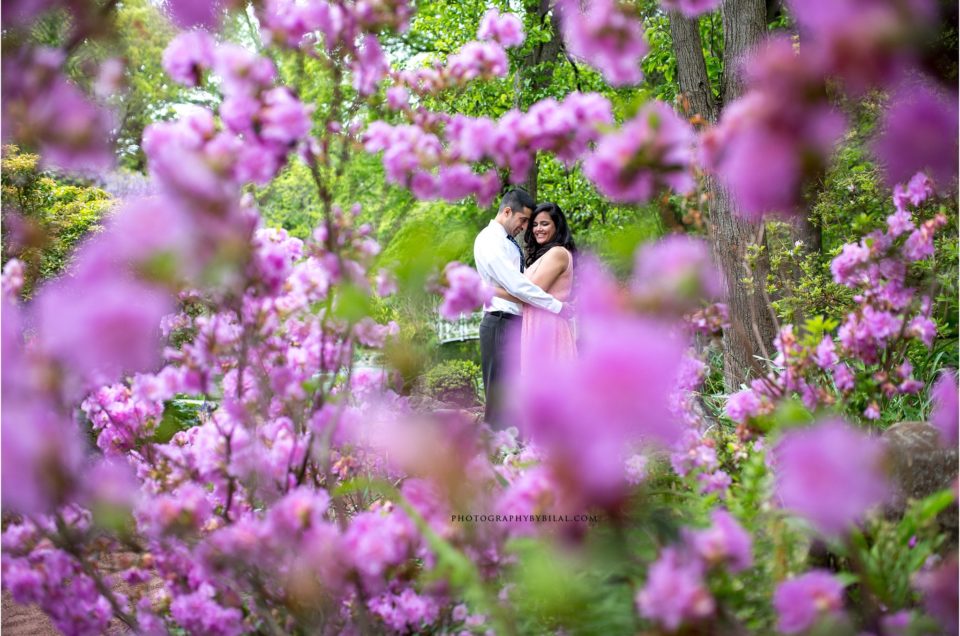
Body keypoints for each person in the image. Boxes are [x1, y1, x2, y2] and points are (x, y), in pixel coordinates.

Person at [473, 190, 570, 428]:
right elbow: (518, 286)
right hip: (500, 323)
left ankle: (514, 458)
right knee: (500, 402)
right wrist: (557, 306)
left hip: (514, 323)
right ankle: (494, 458)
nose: (526, 227)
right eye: (524, 220)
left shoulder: (507, 242)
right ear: (507, 212)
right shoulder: (489, 240)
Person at [492, 202, 577, 374]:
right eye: (535, 225)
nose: (538, 229)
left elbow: (528, 294)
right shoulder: (545, 255)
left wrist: (489, 290)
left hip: (549, 328)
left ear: (557, 226)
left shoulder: (557, 253)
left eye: (545, 223)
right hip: (537, 325)